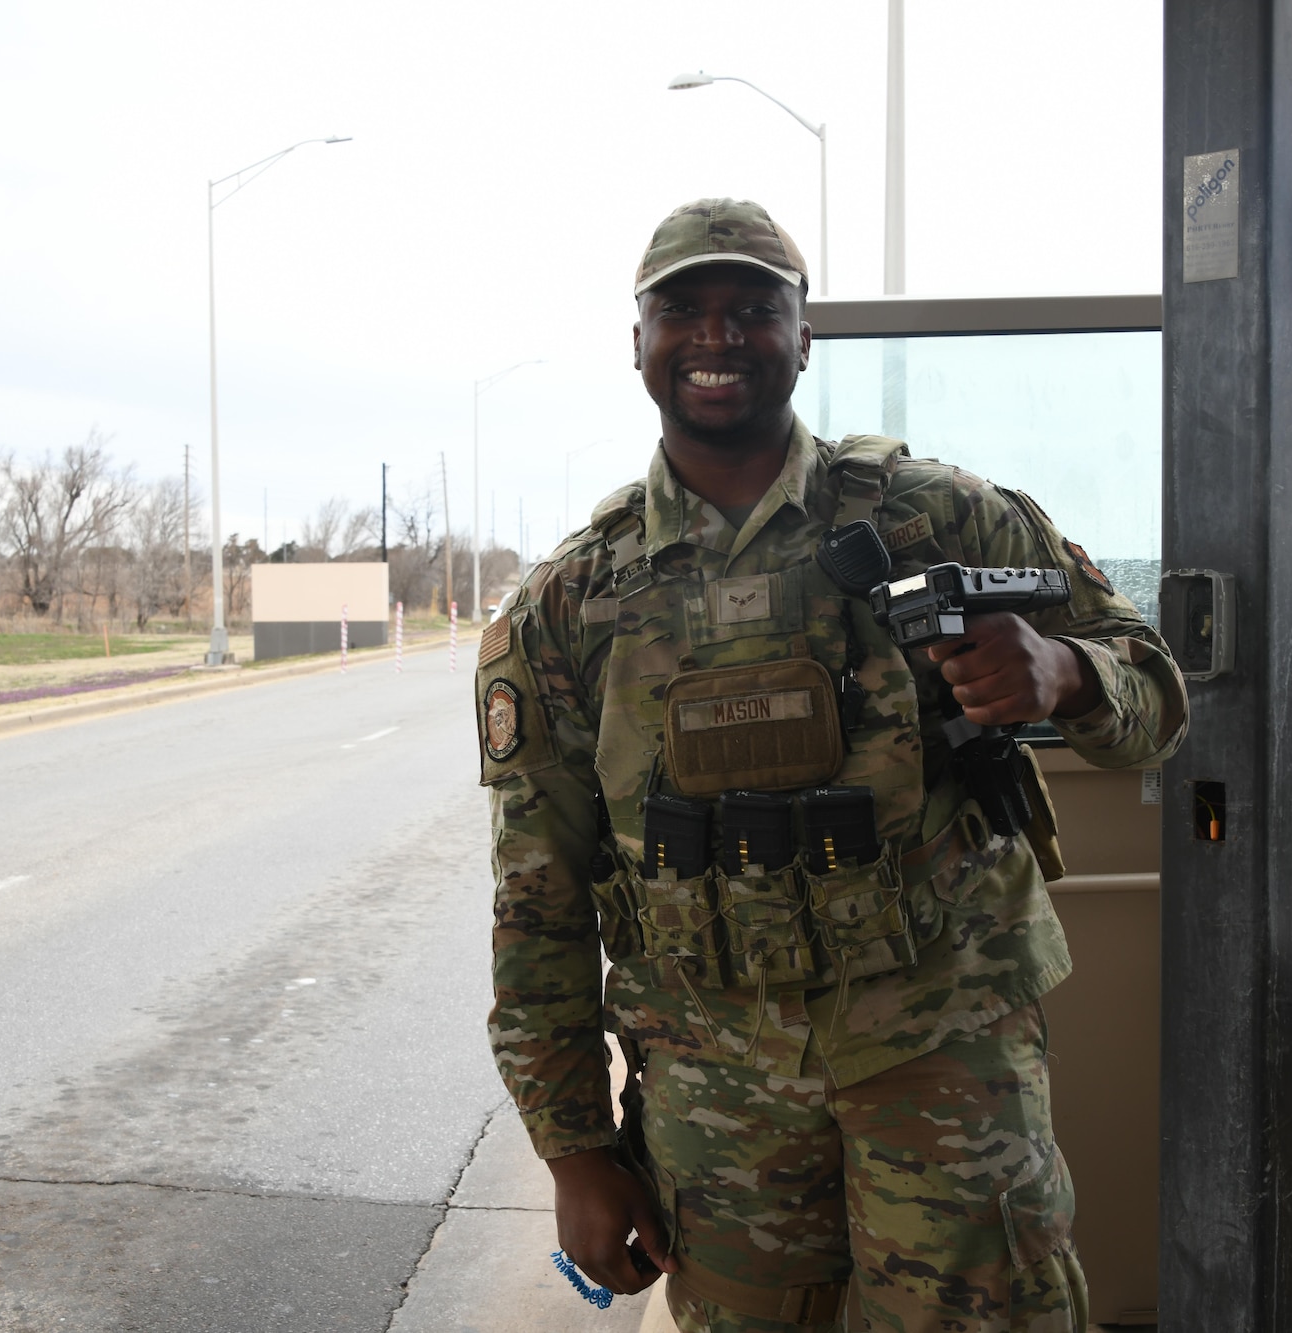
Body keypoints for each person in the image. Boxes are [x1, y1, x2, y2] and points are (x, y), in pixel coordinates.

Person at [478, 198, 1186, 1332]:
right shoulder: (572, 602)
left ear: (803, 338)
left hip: (942, 1052)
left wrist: (1058, 673)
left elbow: (1150, 696)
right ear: (637, 343)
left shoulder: (942, 516)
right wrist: (572, 1151)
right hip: (714, 1089)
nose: (717, 338)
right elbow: (538, 894)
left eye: (754, 309)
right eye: (683, 311)